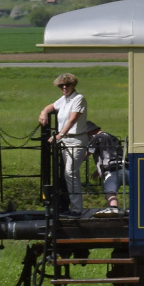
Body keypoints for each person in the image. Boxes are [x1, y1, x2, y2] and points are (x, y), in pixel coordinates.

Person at [37, 73, 94, 214]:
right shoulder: (64, 99)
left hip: (76, 139)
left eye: (67, 85)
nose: (64, 88)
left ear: (73, 85)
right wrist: (44, 112)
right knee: (68, 174)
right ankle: (70, 206)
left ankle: (76, 209)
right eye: (61, 86)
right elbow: (52, 106)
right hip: (65, 140)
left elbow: (72, 119)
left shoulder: (78, 99)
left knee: (70, 172)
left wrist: (59, 135)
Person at [84, 124, 128, 214]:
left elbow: (88, 153)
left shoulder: (95, 138)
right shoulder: (111, 137)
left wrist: (78, 159)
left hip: (112, 170)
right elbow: (112, 153)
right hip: (125, 168)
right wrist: (98, 170)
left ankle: (113, 208)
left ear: (89, 132)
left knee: (110, 190)